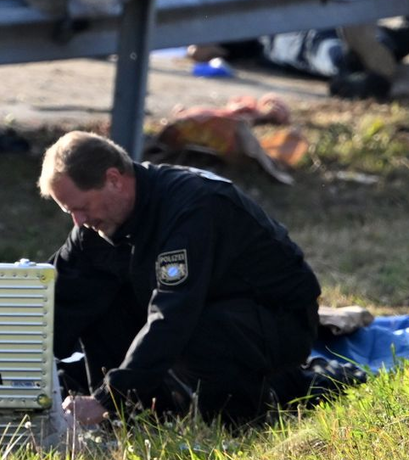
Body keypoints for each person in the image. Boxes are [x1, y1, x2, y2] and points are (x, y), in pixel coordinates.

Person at [39, 131, 320, 426]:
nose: (79, 221)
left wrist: (108, 397)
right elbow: (55, 300)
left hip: (278, 320)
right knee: (96, 297)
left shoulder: (191, 207)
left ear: (114, 179)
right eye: (70, 212)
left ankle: (238, 417)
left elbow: (173, 314)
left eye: (82, 208)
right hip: (204, 313)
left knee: (198, 325)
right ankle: (133, 418)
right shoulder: (95, 226)